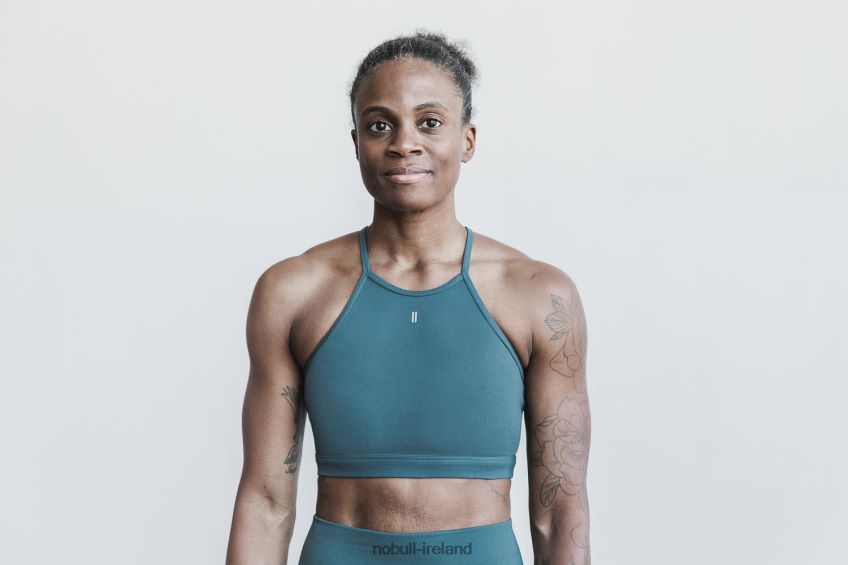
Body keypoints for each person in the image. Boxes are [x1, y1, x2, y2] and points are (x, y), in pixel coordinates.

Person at [226, 30, 592, 565]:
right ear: (356, 142)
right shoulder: (293, 291)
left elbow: (559, 510)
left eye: (429, 122)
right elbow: (266, 502)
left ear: (467, 140)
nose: (404, 143)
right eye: (381, 125)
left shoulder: (540, 295)